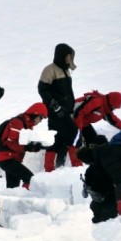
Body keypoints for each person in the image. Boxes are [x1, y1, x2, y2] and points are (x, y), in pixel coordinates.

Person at [38, 43, 81, 171]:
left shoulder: (66, 70)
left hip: (64, 111)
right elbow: (42, 89)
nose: (69, 59)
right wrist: (55, 105)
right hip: (57, 112)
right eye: (67, 56)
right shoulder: (50, 70)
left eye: (70, 56)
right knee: (75, 135)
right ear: (60, 55)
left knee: (55, 140)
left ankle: (50, 170)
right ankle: (77, 167)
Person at [0, 103, 48, 189]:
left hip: (12, 159)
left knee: (13, 188)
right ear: (35, 113)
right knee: (30, 179)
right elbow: (10, 143)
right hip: (7, 159)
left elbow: (23, 144)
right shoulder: (18, 123)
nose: (40, 121)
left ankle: (10, 197)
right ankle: (28, 195)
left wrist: (37, 146)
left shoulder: (28, 125)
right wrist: (27, 147)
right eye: (41, 117)